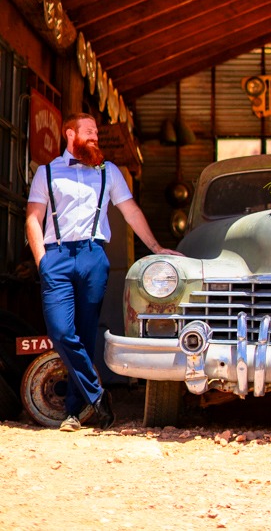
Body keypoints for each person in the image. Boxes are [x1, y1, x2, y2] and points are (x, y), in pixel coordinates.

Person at [26, 113, 179, 432]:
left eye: (96, 132)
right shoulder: (47, 172)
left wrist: (156, 247)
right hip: (57, 256)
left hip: (93, 255)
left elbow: (130, 211)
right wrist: (43, 262)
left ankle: (73, 412)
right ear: (70, 135)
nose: (95, 137)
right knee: (61, 331)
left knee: (84, 333)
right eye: (89, 132)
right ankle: (97, 396)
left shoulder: (109, 172)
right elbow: (33, 219)